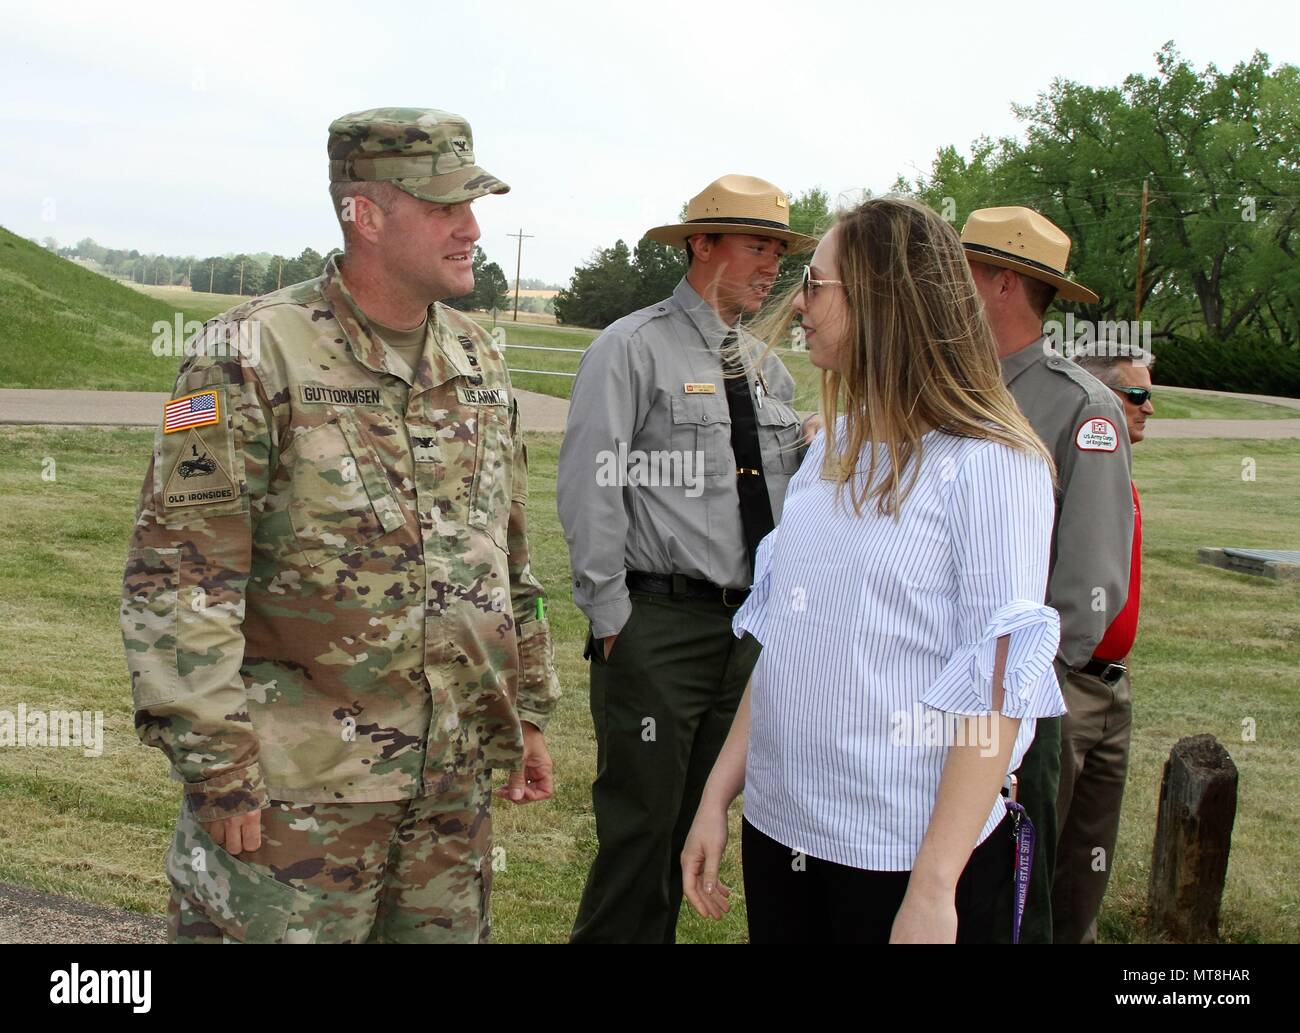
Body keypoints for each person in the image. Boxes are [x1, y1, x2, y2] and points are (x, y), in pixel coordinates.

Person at [120, 107, 560, 944]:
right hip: (294, 797)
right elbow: (179, 576)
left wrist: (527, 708)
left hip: (450, 790)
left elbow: (505, 555)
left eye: (472, 204)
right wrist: (217, 766)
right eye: (444, 206)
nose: (472, 228)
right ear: (365, 213)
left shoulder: (478, 358)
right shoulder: (249, 354)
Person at [681, 196, 1066, 944]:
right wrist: (717, 796)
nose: (799, 304)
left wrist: (933, 886)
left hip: (899, 861)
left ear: (884, 300)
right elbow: (787, 644)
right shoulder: (836, 448)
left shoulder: (993, 466)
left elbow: (996, 694)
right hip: (783, 837)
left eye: (817, 284)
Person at [559, 174, 818, 942]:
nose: (772, 264)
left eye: (779, 249)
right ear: (701, 244)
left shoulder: (767, 371)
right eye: (756, 245)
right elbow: (590, 485)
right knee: (640, 833)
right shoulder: (631, 348)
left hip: (744, 631)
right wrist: (613, 622)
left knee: (694, 828)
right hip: (658, 624)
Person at [961, 205, 1134, 943]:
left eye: (962, 272)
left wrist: (1026, 700)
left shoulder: (1079, 407)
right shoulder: (955, 384)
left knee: (1021, 892)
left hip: (1034, 697)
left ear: (1003, 283)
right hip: (959, 685)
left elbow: (1088, 582)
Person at [1054, 343, 1153, 942]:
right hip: (1069, 685)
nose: (1147, 409)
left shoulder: (1125, 481)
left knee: (1089, 857)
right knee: (1041, 844)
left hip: (1114, 689)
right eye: (1135, 395)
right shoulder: (1070, 472)